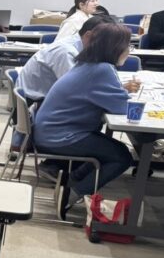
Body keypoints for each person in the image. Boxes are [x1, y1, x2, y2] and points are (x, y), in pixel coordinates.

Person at [33, 24, 141, 219]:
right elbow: (120, 108)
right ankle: (72, 194)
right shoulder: (102, 69)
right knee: (121, 157)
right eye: (128, 46)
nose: (128, 51)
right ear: (115, 47)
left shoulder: (89, 63)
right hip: (60, 136)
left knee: (111, 149)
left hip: (51, 130)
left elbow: (109, 98)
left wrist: (120, 92)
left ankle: (72, 182)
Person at [16, 13, 116, 101]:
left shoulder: (78, 45)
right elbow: (75, 89)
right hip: (34, 102)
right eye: (104, 41)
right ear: (88, 35)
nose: (106, 47)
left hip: (44, 98)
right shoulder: (66, 51)